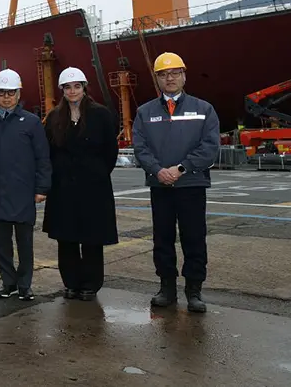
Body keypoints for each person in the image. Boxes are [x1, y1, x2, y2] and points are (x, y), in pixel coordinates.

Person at [132, 52, 220, 313]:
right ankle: (166, 288)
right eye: (163, 74)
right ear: (157, 79)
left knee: (194, 238)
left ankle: (194, 291)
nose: (169, 78)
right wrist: (158, 171)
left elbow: (210, 147)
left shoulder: (204, 109)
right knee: (163, 238)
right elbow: (141, 147)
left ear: (184, 75)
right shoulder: (144, 112)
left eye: (174, 73)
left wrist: (181, 169)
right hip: (161, 187)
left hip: (191, 185)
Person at [0, 69, 51, 302]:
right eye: (2, 93)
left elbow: (42, 158)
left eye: (11, 93)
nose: (7, 97)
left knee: (25, 243)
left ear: (18, 94)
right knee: (1, 244)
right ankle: (8, 283)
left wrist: (42, 188)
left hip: (24, 192)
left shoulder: (32, 122)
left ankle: (25, 285)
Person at [41, 67, 119, 301]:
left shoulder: (101, 115)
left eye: (77, 86)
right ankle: (71, 282)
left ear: (84, 87)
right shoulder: (54, 117)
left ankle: (91, 284)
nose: (72, 91)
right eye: (68, 87)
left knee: (92, 238)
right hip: (63, 188)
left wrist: (97, 173)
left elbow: (110, 153)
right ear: (62, 90)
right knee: (67, 239)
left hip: (93, 187)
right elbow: (48, 152)